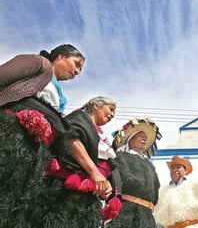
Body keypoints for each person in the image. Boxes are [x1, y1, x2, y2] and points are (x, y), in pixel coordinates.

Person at [0, 44, 85, 227]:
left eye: (80, 69)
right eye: (76, 64)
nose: (77, 71)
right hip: (10, 134)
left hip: (34, 152)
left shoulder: (61, 97)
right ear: (60, 57)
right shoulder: (38, 64)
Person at [42, 96, 117, 227]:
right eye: (110, 109)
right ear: (96, 106)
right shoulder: (79, 117)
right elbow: (71, 139)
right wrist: (94, 172)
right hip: (65, 191)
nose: (112, 115)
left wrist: (107, 185)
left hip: (88, 195)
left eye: (114, 113)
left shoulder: (101, 136)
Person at [108, 118, 162, 228]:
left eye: (146, 137)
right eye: (140, 136)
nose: (144, 139)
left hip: (147, 215)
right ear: (130, 139)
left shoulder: (149, 164)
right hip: (127, 212)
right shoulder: (120, 158)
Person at [155, 155, 198, 228]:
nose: (175, 170)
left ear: (185, 170)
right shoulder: (163, 191)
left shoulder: (196, 185)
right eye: (172, 168)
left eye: (178, 167)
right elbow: (160, 217)